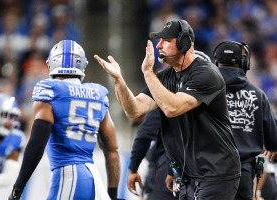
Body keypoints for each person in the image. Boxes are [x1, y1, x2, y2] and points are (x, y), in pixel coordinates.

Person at [95, 20, 241, 200]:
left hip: (217, 173)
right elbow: (134, 110)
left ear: (184, 43)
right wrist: (119, 80)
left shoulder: (206, 74)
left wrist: (148, 73)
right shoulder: (166, 77)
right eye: (159, 40)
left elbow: (172, 108)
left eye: (166, 40)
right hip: (188, 174)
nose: (159, 45)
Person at [9, 40, 121, 200]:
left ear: (52, 63)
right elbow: (112, 150)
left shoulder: (50, 90)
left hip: (68, 175)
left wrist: (18, 187)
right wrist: (113, 194)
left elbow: (37, 143)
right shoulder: (98, 94)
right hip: (93, 180)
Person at [127, 50, 211, 200]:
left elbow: (145, 133)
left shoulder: (166, 92)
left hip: (170, 167)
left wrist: (133, 168)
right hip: (208, 168)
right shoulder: (215, 97)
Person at [213, 41, 277, 200]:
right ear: (244, 63)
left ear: (215, 63)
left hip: (208, 173)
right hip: (243, 174)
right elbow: (273, 142)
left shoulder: (201, 93)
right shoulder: (258, 95)